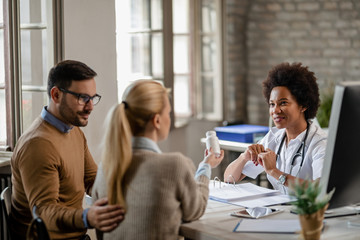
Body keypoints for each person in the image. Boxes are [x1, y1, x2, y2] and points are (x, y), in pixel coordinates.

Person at [92, 80, 224, 240]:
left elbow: (100, 230)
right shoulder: (175, 165)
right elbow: (195, 211)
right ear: (157, 121)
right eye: (168, 113)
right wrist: (205, 168)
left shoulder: (105, 167)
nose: (169, 117)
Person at [10, 60, 125, 239]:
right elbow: (44, 212)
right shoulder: (38, 145)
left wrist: (128, 193)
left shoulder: (72, 129)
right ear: (56, 95)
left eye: (93, 98)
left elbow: (92, 180)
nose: (90, 107)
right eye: (82, 98)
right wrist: (87, 217)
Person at [224, 62, 327, 194]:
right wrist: (244, 157)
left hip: (309, 212)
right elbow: (229, 178)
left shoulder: (319, 143)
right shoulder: (274, 138)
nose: (275, 110)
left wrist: (274, 172)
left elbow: (321, 188)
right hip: (281, 209)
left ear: (303, 105)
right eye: (272, 104)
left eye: (283, 103)